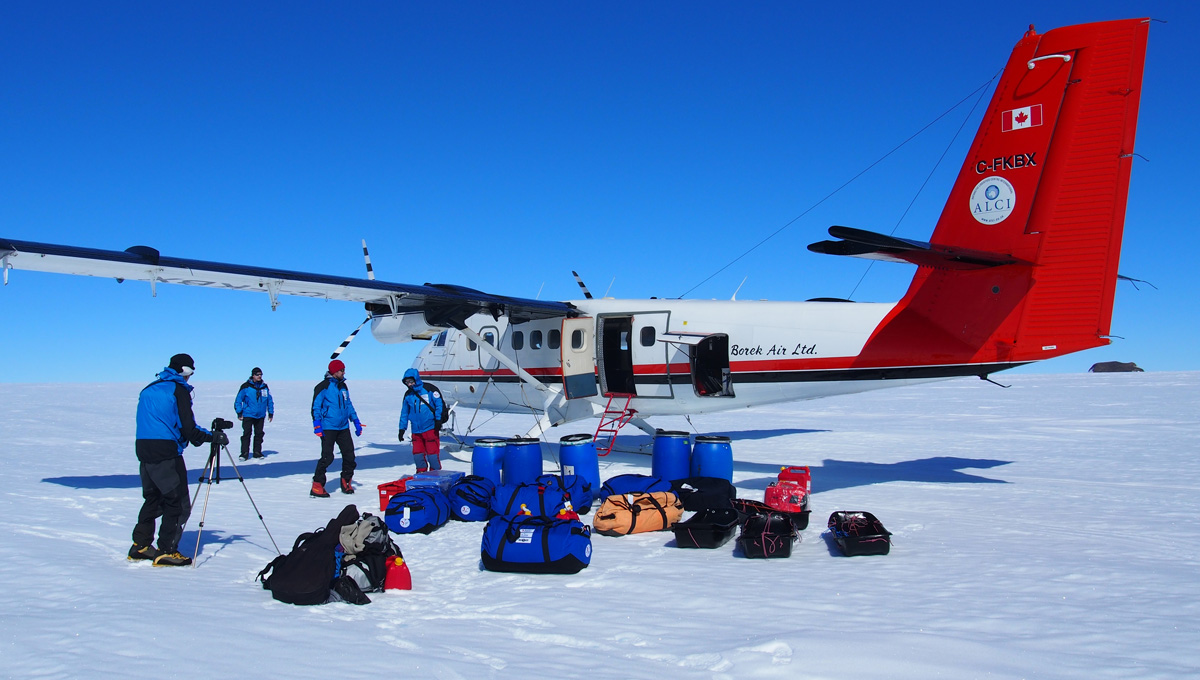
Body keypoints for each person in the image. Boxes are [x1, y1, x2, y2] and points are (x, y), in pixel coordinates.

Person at [129, 353, 226, 567]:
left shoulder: (149, 388)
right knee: (176, 502)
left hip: (144, 448)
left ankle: (140, 545)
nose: (191, 377)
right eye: (191, 372)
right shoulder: (178, 389)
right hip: (166, 450)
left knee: (152, 498)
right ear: (184, 370)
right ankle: (167, 550)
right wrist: (212, 437)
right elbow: (187, 428)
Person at [311, 359, 363, 497]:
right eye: (341, 370)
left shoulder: (343, 386)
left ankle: (346, 481)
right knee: (327, 457)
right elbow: (316, 406)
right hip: (328, 427)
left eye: (344, 369)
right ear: (334, 372)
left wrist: (356, 421)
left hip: (343, 427)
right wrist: (317, 424)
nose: (344, 372)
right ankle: (317, 485)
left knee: (350, 456)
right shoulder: (323, 386)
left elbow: (349, 405)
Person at [397, 368, 444, 472]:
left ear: (416, 379)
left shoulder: (429, 390)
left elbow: (439, 405)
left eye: (411, 381)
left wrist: (438, 420)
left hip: (430, 428)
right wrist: (402, 429)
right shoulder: (408, 395)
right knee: (418, 455)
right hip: (416, 431)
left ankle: (435, 474)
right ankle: (421, 474)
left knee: (432, 455)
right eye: (407, 382)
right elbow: (404, 413)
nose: (409, 384)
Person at [233, 367, 274, 460]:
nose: (259, 376)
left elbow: (269, 400)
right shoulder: (246, 386)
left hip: (260, 415)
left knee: (259, 434)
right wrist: (239, 412)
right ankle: (244, 453)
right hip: (248, 414)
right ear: (253, 375)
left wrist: (270, 413)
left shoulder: (264, 387)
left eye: (260, 374)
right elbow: (238, 400)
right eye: (257, 374)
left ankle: (257, 452)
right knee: (247, 434)